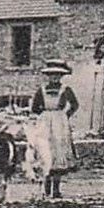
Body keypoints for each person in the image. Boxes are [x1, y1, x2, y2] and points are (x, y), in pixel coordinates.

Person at [30, 60, 80, 198]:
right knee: (45, 150)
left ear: (61, 76)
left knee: (58, 151)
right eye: (52, 75)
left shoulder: (66, 89)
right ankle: (46, 189)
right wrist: (44, 116)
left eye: (57, 75)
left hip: (60, 122)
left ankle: (56, 189)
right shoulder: (42, 90)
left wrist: (64, 116)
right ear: (48, 76)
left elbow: (75, 104)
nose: (54, 78)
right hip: (45, 121)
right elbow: (35, 107)